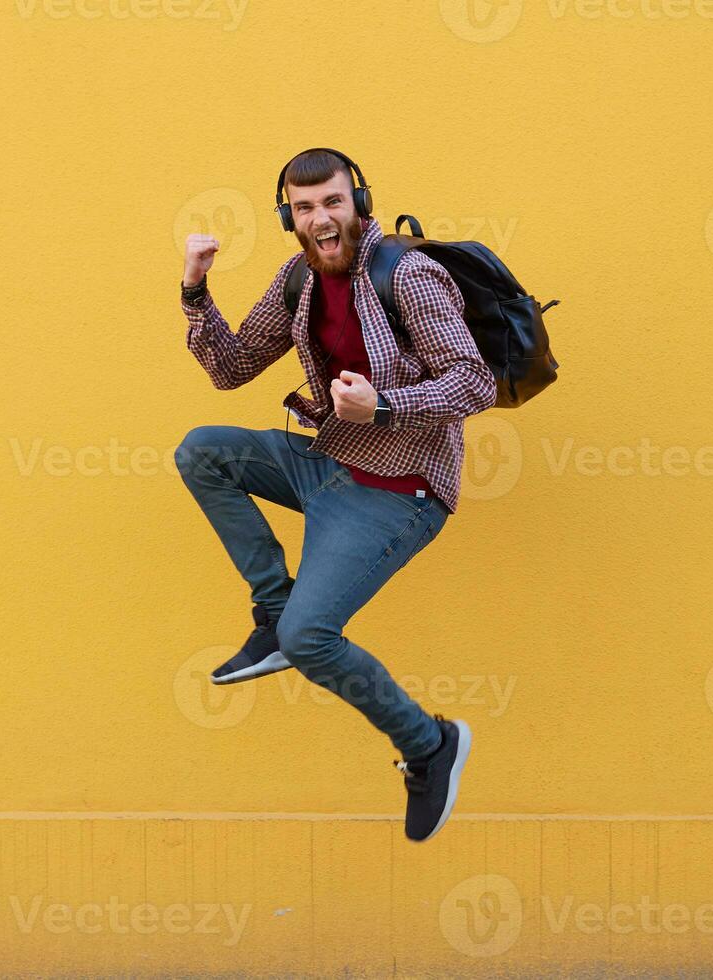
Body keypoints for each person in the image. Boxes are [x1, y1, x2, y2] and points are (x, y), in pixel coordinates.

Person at [173, 148, 496, 842]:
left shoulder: (408, 276)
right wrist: (196, 290)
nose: (321, 219)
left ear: (360, 203)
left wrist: (383, 407)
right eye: (305, 206)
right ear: (290, 215)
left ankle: (429, 746)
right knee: (204, 450)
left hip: (398, 489)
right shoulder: (299, 280)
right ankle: (273, 605)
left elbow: (474, 382)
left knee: (311, 641)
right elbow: (230, 368)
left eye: (333, 203)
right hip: (326, 462)